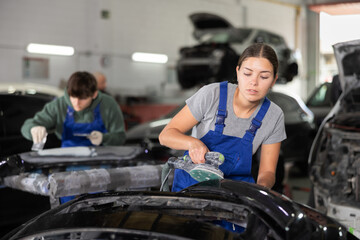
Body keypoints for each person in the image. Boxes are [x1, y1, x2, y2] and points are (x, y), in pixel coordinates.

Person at [159, 43, 286, 192]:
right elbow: (165, 135)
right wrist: (193, 143)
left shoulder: (274, 116)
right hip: (191, 191)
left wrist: (259, 190)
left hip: (235, 196)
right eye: (247, 73)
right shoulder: (212, 95)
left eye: (264, 76)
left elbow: (268, 172)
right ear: (238, 72)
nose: (254, 82)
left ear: (274, 80)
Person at [21, 71, 126, 148]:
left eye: (83, 98)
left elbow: (120, 137)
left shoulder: (108, 105)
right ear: (68, 91)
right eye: (73, 97)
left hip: (100, 162)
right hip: (68, 162)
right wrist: (33, 129)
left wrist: (104, 138)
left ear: (94, 94)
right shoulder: (58, 105)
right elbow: (27, 126)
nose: (76, 103)